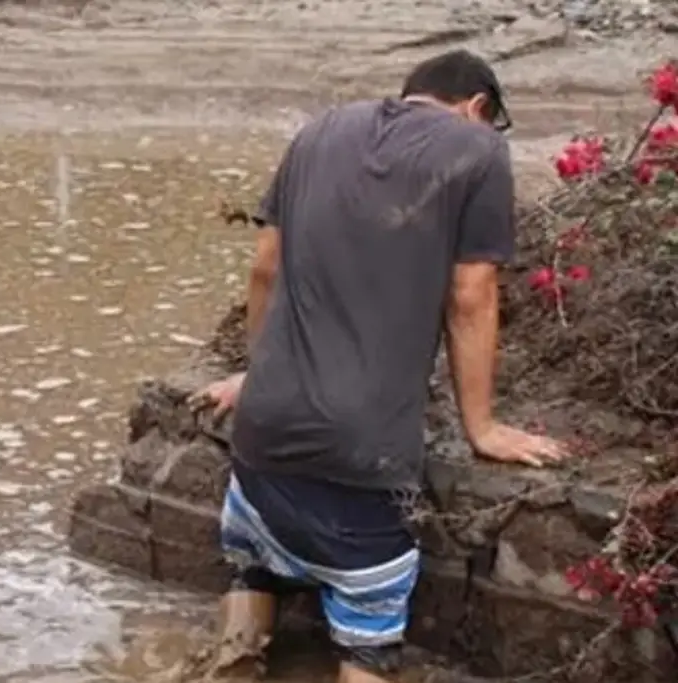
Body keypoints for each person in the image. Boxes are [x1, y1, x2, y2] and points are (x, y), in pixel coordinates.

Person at [190, 50, 571, 683]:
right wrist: (483, 428)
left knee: (255, 565)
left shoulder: (319, 130)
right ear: (478, 108)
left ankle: (231, 657)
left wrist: (257, 374)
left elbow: (265, 267)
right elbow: (471, 295)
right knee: (367, 640)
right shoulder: (477, 153)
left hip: (258, 452)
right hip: (359, 467)